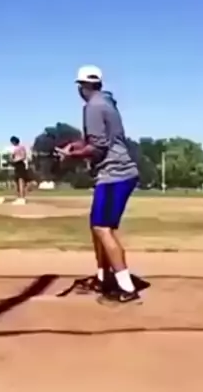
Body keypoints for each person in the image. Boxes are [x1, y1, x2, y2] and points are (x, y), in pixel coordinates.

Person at [56, 65, 140, 303]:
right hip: (116, 173)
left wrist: (72, 155)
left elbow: (99, 147)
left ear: (81, 87)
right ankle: (103, 278)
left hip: (115, 173)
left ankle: (126, 287)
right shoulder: (106, 102)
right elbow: (98, 138)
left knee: (103, 228)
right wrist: (77, 145)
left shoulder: (92, 106)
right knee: (98, 227)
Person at [9, 135, 28, 205]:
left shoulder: (21, 147)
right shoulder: (14, 149)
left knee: (21, 180)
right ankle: (19, 197)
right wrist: (11, 159)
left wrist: (15, 160)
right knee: (17, 181)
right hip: (16, 165)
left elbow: (23, 156)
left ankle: (22, 198)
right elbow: (12, 157)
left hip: (20, 165)